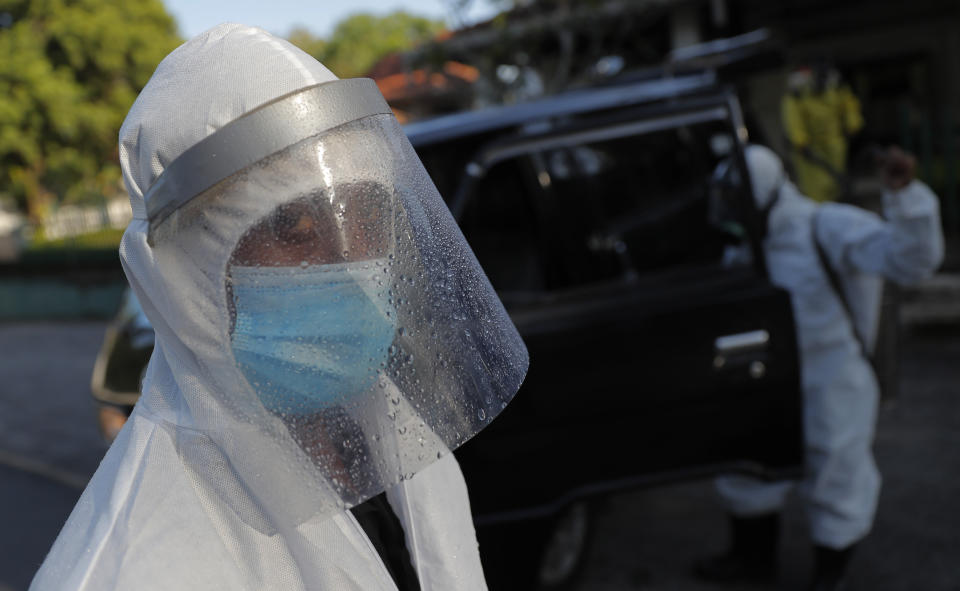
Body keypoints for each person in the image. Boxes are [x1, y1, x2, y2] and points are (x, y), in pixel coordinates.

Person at [31, 24, 529, 591]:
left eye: (366, 214)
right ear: (193, 270)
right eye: (293, 225)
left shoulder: (396, 441)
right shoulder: (130, 568)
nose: (350, 260)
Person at [695, 144, 943, 590]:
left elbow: (912, 261)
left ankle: (830, 574)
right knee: (748, 467)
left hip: (831, 379)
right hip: (764, 381)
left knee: (837, 473)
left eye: (736, 200)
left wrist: (905, 197)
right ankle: (751, 559)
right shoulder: (745, 247)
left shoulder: (826, 226)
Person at [782, 64, 865, 202]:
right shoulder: (797, 92)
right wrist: (800, 141)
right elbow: (792, 117)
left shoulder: (835, 87)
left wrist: (853, 125)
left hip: (835, 144)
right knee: (815, 188)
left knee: (836, 184)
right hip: (810, 150)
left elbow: (849, 105)